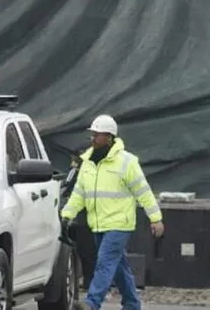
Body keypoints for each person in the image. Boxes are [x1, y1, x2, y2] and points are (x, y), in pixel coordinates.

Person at [60, 114, 164, 310]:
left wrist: (156, 218)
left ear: (109, 137)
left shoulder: (127, 162)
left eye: (97, 135)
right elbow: (79, 193)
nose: (92, 138)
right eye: (92, 134)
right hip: (98, 223)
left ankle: (92, 303)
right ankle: (132, 304)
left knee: (105, 262)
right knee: (119, 267)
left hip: (119, 224)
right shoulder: (88, 162)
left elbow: (144, 192)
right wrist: (67, 215)